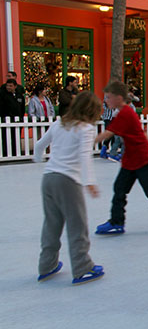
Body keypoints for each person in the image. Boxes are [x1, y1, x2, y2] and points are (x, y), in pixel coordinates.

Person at [33, 91, 105, 285]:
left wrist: (38, 159)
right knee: (77, 224)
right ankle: (82, 267)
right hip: (67, 181)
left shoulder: (58, 124)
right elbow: (84, 155)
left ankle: (46, 265)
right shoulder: (85, 129)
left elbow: (39, 145)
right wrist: (89, 181)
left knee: (51, 223)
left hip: (48, 179)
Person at [94, 81, 148, 235]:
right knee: (119, 188)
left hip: (141, 159)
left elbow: (107, 134)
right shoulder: (124, 112)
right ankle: (116, 221)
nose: (105, 101)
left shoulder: (125, 113)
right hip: (130, 160)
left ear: (119, 98)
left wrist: (85, 141)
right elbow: (142, 131)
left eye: (108, 97)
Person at [0, 79, 26, 157]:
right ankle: (6, 153)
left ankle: (16, 152)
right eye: (7, 85)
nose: (8, 87)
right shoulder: (3, 96)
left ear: (15, 86)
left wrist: (21, 117)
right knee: (6, 138)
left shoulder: (19, 96)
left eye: (10, 86)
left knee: (16, 138)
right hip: (7, 120)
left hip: (17, 121)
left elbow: (22, 108)